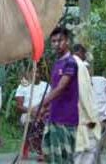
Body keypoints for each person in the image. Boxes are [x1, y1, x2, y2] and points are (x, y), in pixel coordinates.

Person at [34, 26, 79, 163]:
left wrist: (41, 104)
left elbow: (60, 88)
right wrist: (46, 109)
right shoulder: (58, 63)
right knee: (52, 158)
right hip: (54, 116)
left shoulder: (71, 62)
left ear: (67, 41)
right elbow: (55, 91)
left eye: (60, 40)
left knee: (65, 159)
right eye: (53, 41)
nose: (56, 44)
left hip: (67, 118)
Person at [72, 44, 101, 164]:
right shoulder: (80, 66)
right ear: (80, 52)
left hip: (71, 115)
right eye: (84, 53)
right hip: (83, 117)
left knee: (78, 151)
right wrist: (92, 118)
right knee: (86, 151)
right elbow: (83, 94)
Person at [15, 68, 50, 160]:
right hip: (27, 113)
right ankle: (40, 151)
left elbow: (51, 103)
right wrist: (32, 111)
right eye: (33, 72)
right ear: (29, 74)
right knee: (35, 121)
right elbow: (19, 107)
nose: (35, 74)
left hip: (44, 113)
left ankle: (41, 149)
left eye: (37, 72)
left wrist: (42, 111)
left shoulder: (46, 86)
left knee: (43, 121)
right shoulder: (22, 86)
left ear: (41, 74)